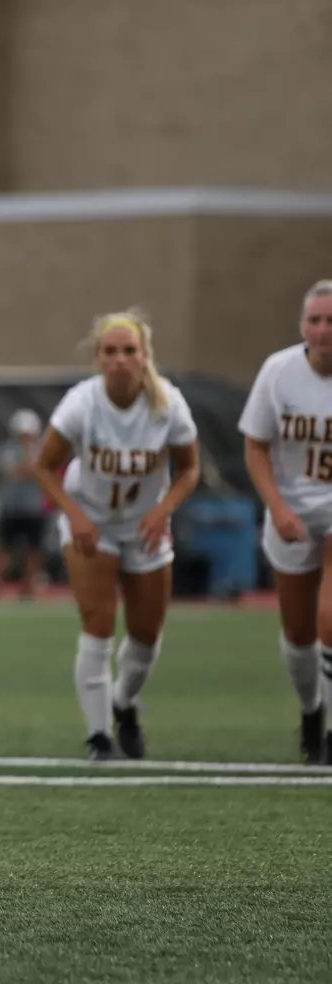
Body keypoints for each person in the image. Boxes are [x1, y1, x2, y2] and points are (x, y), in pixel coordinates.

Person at [31, 310, 200, 761]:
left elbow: (189, 469)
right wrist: (75, 515)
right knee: (98, 623)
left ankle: (123, 702)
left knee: (146, 634)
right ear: (97, 358)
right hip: (92, 521)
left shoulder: (168, 404)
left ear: (145, 356)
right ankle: (98, 736)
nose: (120, 359)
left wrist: (164, 510)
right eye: (111, 351)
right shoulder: (81, 404)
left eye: (130, 351)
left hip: (144, 524)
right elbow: (44, 466)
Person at [239, 279, 332, 764]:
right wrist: (277, 506)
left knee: (331, 619)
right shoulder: (278, 371)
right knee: (299, 633)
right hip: (291, 507)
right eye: (314, 320)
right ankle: (310, 709)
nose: (322, 330)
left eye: (331, 321)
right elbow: (255, 444)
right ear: (302, 325)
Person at [0, 409, 47, 602]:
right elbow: (16, 471)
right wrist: (29, 466)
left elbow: (39, 472)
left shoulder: (43, 450)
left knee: (33, 550)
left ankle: (28, 589)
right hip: (11, 508)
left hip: (34, 508)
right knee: (2, 548)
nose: (25, 437)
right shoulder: (6, 450)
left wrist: (30, 464)